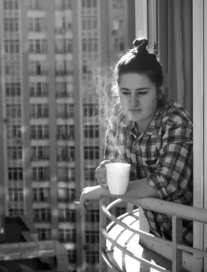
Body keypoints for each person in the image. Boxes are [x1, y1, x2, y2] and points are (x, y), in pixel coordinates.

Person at [79, 38, 194, 245]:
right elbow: (118, 170)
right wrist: (105, 175)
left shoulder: (176, 120)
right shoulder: (120, 119)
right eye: (125, 93)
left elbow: (167, 181)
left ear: (159, 92)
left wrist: (107, 190)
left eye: (142, 93)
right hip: (157, 239)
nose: (132, 102)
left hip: (197, 244)